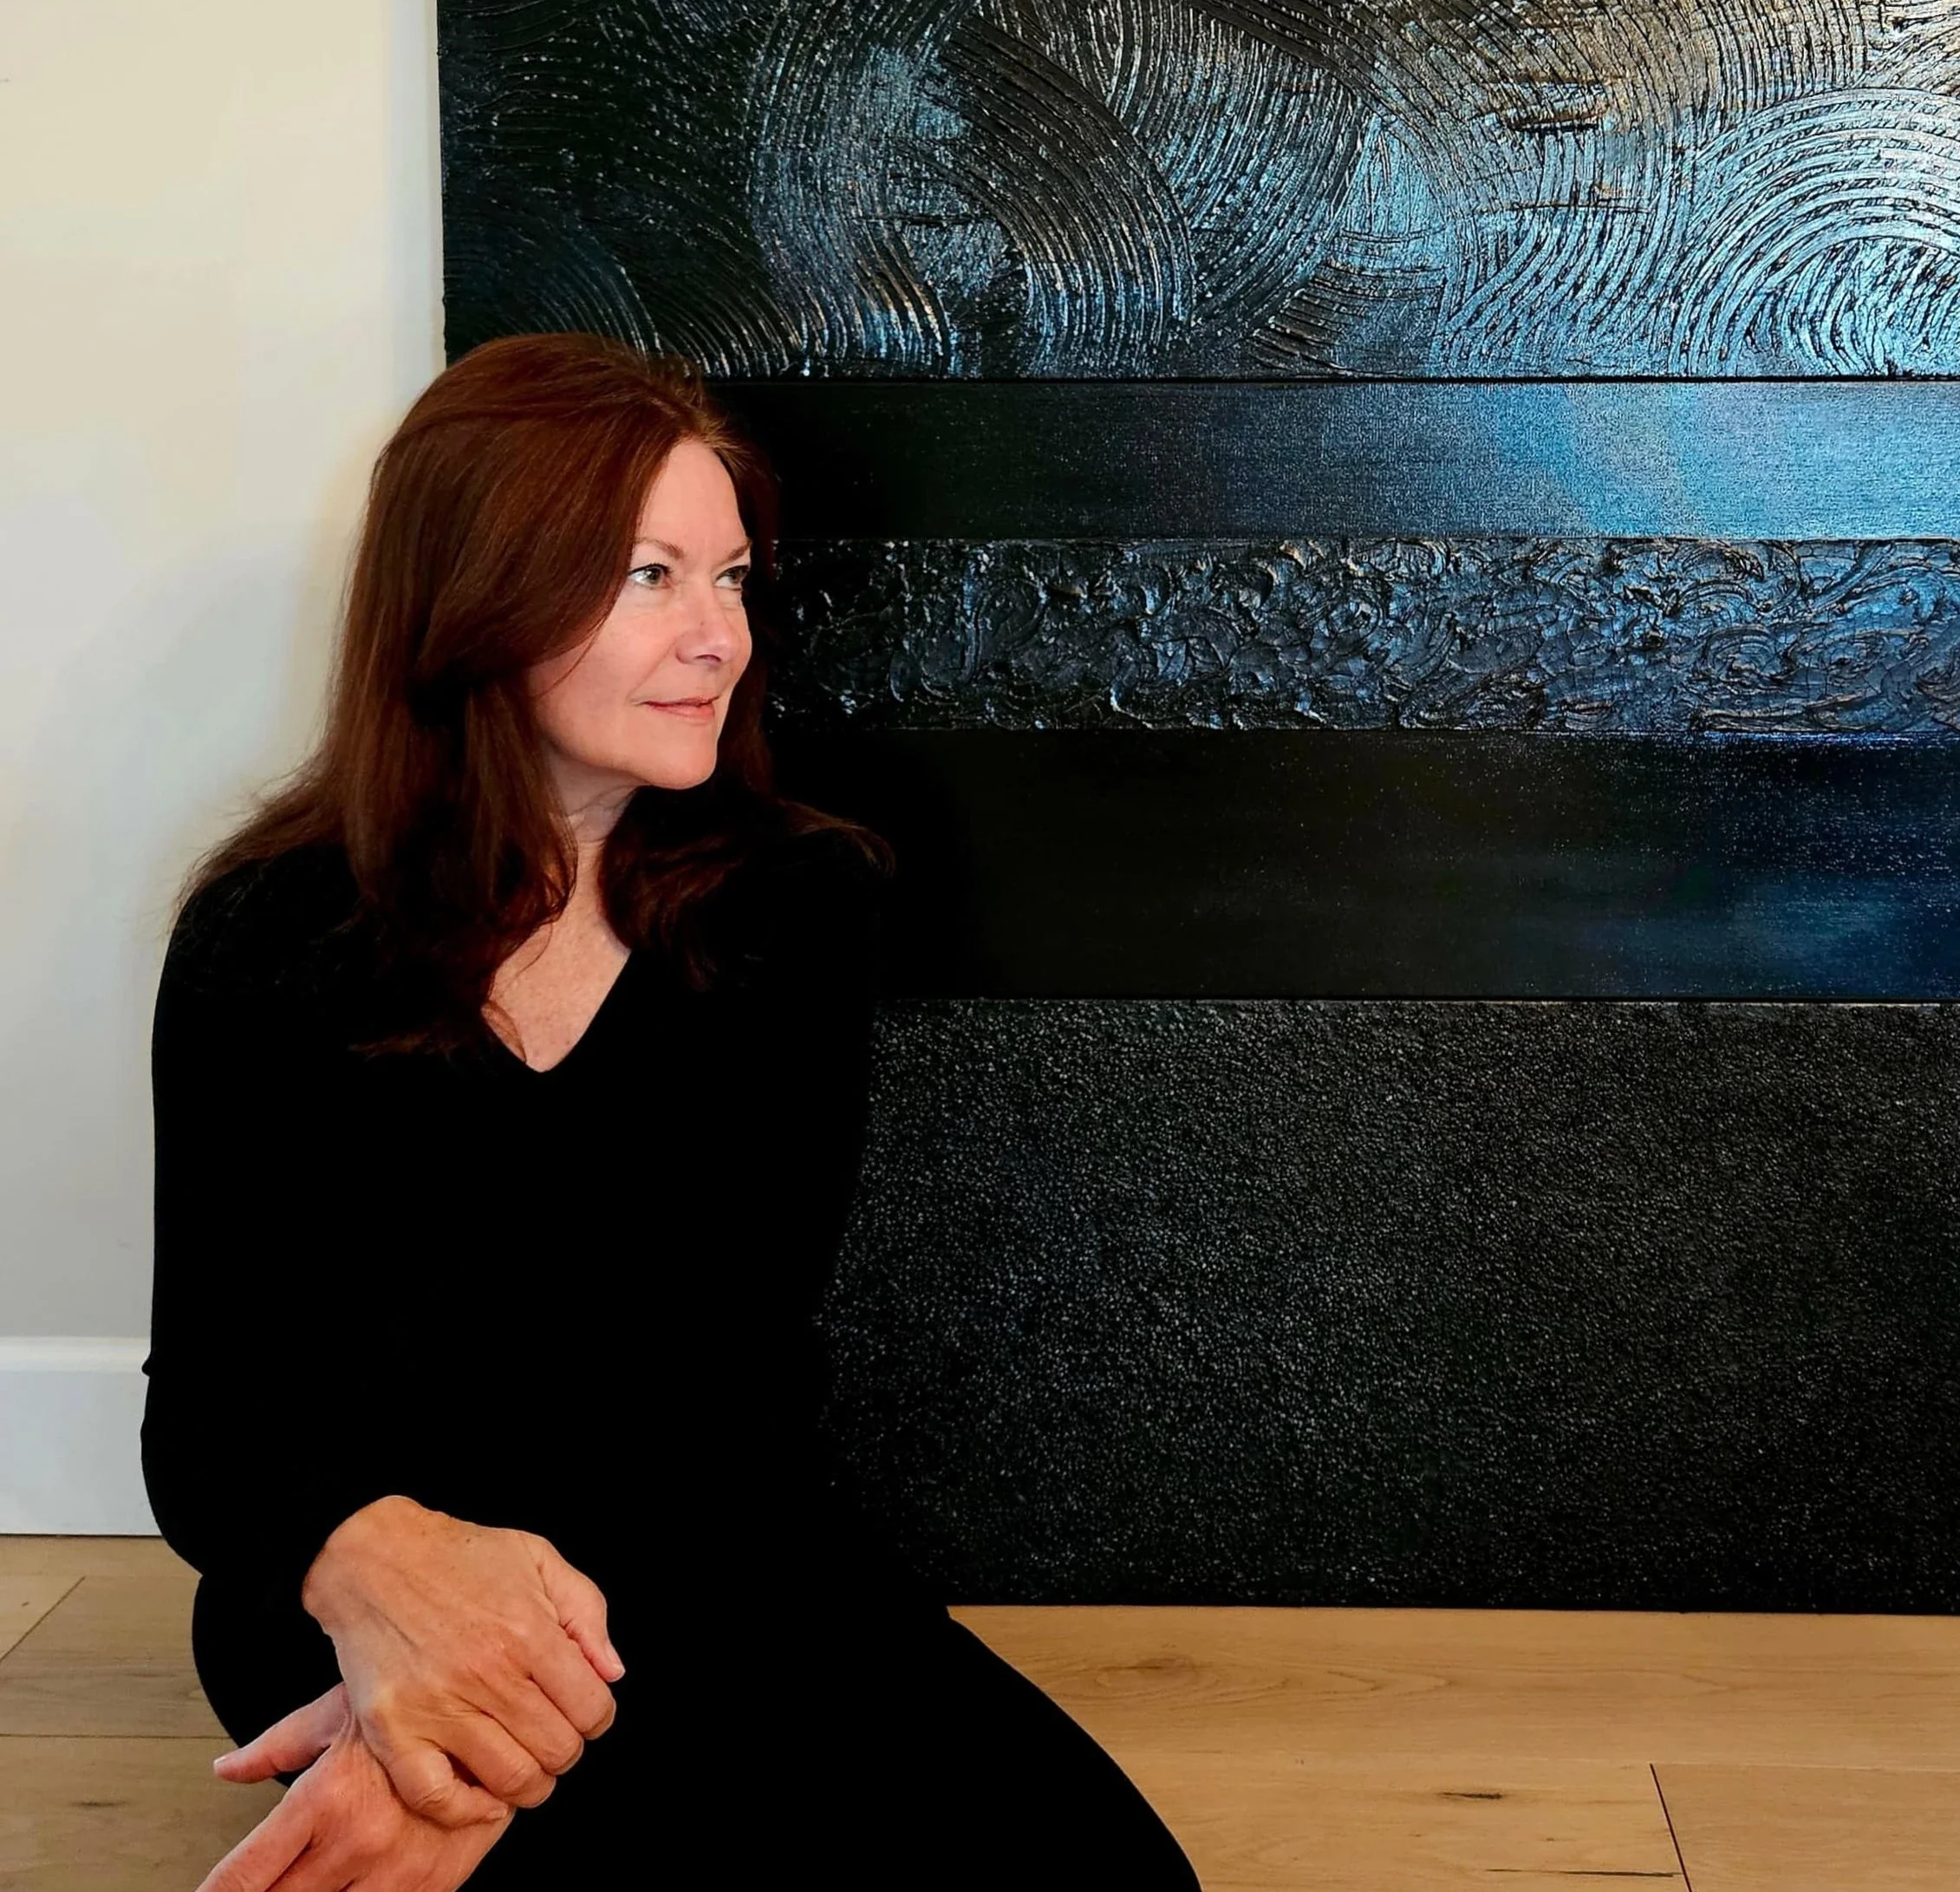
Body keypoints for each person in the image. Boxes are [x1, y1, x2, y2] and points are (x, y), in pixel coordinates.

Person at [145, 336, 1200, 1889]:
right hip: (344, 1581)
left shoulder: (794, 905)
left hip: (710, 1555)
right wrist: (380, 1568)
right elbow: (210, 1428)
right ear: (480, 594)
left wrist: (466, 1756)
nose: (721, 636)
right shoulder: (263, 938)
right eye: (650, 575)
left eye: (732, 576)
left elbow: (709, 1403)